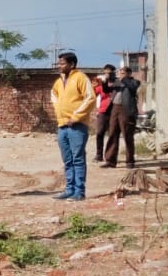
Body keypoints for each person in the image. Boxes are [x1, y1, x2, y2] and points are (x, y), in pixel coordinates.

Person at [49, 51, 94, 200]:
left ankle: (79, 191)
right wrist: (59, 112)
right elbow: (54, 96)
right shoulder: (59, 82)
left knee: (78, 159)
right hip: (62, 126)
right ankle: (69, 189)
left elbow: (90, 98)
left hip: (77, 126)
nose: (59, 66)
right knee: (67, 160)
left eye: (62, 63)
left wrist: (75, 117)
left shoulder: (80, 78)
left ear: (72, 64)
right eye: (59, 63)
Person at [103, 64, 141, 168]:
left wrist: (123, 79)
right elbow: (106, 90)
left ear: (129, 74)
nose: (120, 75)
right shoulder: (117, 82)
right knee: (112, 134)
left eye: (123, 73)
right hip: (115, 108)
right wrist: (106, 79)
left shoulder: (134, 82)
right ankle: (110, 160)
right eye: (120, 73)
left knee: (127, 135)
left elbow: (132, 87)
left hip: (126, 110)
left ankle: (129, 161)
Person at [93, 63, 115, 163]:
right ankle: (99, 155)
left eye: (109, 73)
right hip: (103, 111)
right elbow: (93, 94)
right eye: (105, 73)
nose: (107, 75)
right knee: (99, 133)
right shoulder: (101, 83)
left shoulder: (117, 83)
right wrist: (93, 86)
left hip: (114, 111)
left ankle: (110, 156)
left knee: (112, 134)